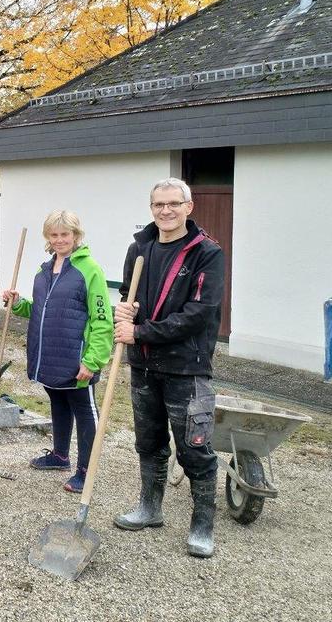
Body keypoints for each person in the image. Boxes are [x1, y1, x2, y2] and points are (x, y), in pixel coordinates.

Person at [112, 177, 225, 558]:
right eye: (159, 204)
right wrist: (126, 310)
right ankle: (150, 508)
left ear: (188, 207)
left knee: (194, 449)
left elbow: (199, 313)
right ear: (151, 208)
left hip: (186, 367)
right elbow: (130, 293)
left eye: (174, 203)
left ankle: (202, 525)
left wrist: (139, 331)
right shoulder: (139, 248)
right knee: (149, 442)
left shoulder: (206, 253)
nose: (166, 211)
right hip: (144, 364)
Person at [3, 210, 112, 493]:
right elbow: (41, 309)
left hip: (76, 358)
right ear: (47, 238)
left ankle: (86, 472)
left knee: (84, 410)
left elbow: (102, 319)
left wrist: (93, 360)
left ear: (76, 236)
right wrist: (18, 304)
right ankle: (60, 456)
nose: (60, 239)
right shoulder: (43, 271)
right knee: (58, 401)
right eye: (54, 235)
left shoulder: (90, 270)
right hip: (49, 355)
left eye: (65, 234)